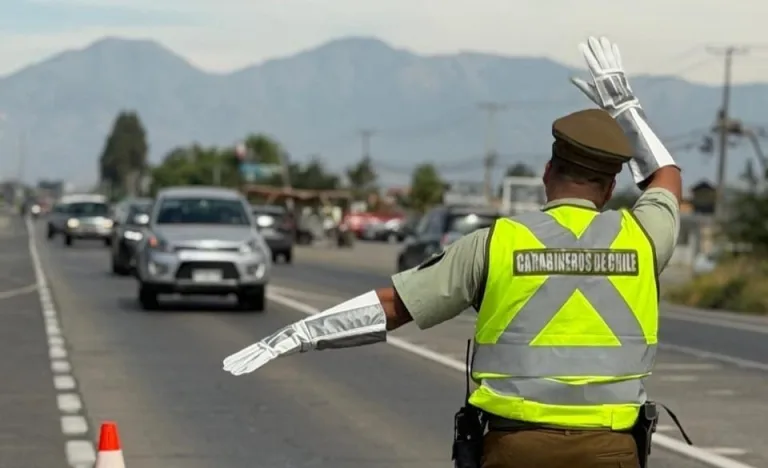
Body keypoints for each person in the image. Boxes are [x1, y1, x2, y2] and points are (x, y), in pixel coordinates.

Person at [222, 36, 682, 468]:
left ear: (547, 172)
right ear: (611, 187)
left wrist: (297, 334)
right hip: (612, 450)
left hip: (515, 448)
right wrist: (625, 111)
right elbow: (666, 177)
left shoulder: (496, 243)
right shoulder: (643, 238)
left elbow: (393, 308)